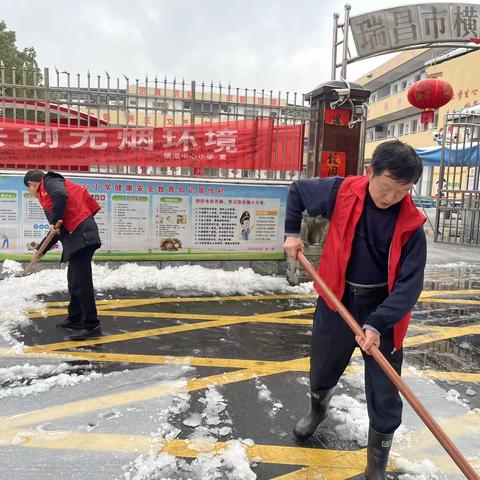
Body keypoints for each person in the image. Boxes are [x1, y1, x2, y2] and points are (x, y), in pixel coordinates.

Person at [283, 140, 426, 480]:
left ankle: (376, 463)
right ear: (369, 172)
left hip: (384, 309)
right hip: (338, 298)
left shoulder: (412, 225)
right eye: (386, 187)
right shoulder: (343, 191)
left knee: (385, 388)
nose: (391, 197)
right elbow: (298, 191)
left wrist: (378, 323)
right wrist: (292, 233)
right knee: (323, 366)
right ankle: (317, 410)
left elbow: (409, 286)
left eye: (401, 191)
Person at [24, 170, 103, 341]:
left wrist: (54, 222)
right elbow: (57, 231)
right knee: (74, 282)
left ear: (31, 183)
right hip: (77, 237)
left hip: (82, 235)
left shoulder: (49, 181)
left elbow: (60, 196)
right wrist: (41, 250)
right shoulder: (49, 199)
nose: (31, 194)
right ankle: (75, 319)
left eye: (29, 189)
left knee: (82, 283)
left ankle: (92, 325)